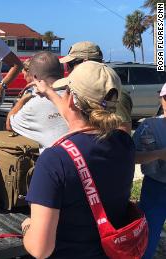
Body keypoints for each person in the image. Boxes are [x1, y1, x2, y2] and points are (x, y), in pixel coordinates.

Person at [21, 61, 135, 258]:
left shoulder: (55, 160)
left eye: (65, 90)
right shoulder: (124, 143)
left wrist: (28, 227)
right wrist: (49, 92)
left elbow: (41, 250)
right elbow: (78, 123)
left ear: (71, 99)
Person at [59, 41, 133, 133]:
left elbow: (123, 135)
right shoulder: (85, 91)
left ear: (85, 63)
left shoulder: (113, 93)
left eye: (70, 64)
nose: (68, 69)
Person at [7, 52, 67, 152]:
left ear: (34, 77)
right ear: (62, 71)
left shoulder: (34, 105)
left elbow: (9, 124)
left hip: (54, 164)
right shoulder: (81, 96)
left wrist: (23, 99)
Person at [132, 84, 166, 259]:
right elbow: (133, 156)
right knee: (149, 235)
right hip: (156, 187)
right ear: (160, 98)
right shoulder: (149, 125)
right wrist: (159, 154)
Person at [5, 58, 34, 130]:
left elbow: (9, 125)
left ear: (28, 72)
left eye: (23, 73)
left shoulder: (30, 91)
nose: (23, 77)